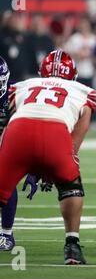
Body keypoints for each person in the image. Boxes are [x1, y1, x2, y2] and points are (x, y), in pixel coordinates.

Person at [0, 50, 96, 265]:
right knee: (71, 187)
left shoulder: (23, 86)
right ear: (73, 75)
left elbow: (12, 119)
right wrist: (51, 169)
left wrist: (28, 167)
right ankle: (72, 246)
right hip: (55, 133)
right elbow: (73, 145)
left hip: (17, 132)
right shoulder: (83, 91)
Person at [0, 56, 38, 251]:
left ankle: (6, 234)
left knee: (5, 181)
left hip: (9, 142)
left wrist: (34, 170)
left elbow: (30, 134)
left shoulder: (17, 95)